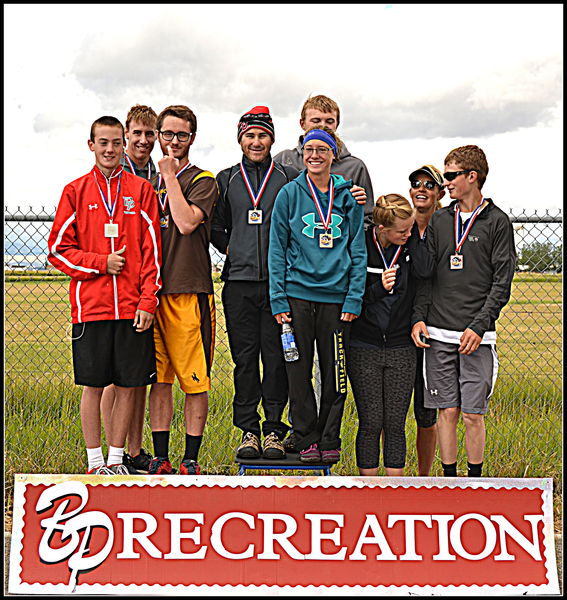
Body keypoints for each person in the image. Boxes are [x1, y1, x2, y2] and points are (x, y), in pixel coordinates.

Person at [47, 115, 162, 475]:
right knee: (94, 386)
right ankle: (94, 461)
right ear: (91, 145)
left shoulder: (141, 191)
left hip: (132, 308)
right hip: (91, 309)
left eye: (116, 142)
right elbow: (57, 250)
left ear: (124, 143)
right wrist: (100, 262)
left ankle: (116, 460)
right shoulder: (75, 191)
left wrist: (147, 301)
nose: (110, 149)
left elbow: (152, 251)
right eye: (103, 142)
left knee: (129, 385)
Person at [411, 145, 516, 478]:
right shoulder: (442, 220)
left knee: (472, 414)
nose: (447, 182)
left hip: (477, 337)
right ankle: (449, 482)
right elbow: (426, 278)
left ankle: (474, 482)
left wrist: (479, 326)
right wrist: (418, 317)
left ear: (473, 177)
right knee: (447, 411)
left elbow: (502, 283)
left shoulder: (497, 222)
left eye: (452, 175)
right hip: (438, 334)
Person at [268, 126, 366, 464]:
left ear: (333, 155)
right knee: (299, 371)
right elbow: (277, 250)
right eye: (310, 149)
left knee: (336, 373)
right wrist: (278, 299)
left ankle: (329, 436)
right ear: (302, 153)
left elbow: (358, 248)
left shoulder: (347, 197)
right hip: (297, 296)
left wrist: (354, 297)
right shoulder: (289, 194)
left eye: (322, 150)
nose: (315, 156)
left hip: (337, 300)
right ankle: (306, 436)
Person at [211, 106, 298, 460]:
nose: (256, 142)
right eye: (250, 136)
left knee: (277, 358)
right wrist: (236, 249)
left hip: (279, 286)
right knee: (245, 360)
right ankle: (248, 428)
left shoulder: (290, 177)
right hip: (239, 283)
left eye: (263, 136)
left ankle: (275, 429)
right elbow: (216, 228)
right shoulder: (226, 178)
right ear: (240, 139)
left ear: (272, 139)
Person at [148, 104, 219, 475]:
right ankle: (161, 457)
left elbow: (187, 222)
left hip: (186, 289)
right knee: (158, 380)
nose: (174, 142)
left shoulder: (202, 179)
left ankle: (190, 458)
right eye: (167, 134)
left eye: (182, 135)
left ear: (193, 137)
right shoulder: (146, 181)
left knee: (193, 379)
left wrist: (170, 177)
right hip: (148, 294)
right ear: (158, 135)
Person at [347, 194, 434, 476]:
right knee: (371, 422)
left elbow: (424, 276)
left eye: (410, 229)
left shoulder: (410, 244)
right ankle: (368, 492)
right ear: (381, 228)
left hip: (401, 346)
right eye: (401, 231)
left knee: (395, 423)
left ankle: (394, 492)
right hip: (363, 344)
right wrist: (377, 289)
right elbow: (348, 299)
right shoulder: (360, 246)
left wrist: (416, 239)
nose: (406, 234)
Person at [101, 104, 158, 474]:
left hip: (149, 284)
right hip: (113, 292)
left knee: (137, 378)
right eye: (135, 133)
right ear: (125, 135)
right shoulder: (114, 176)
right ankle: (112, 454)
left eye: (148, 134)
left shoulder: (158, 173)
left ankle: (133, 451)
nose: (141, 140)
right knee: (111, 379)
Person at [273, 94, 374, 222]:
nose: (323, 126)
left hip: (340, 240)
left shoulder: (355, 167)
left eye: (329, 121)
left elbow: (367, 217)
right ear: (302, 124)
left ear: (337, 124)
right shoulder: (284, 160)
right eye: (316, 120)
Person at [407, 164, 445, 476]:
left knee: (426, 409)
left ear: (440, 193)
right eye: (416, 183)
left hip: (434, 326)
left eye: (429, 185)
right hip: (396, 326)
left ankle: (424, 478)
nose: (422, 189)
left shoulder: (446, 227)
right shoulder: (400, 225)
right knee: (389, 410)